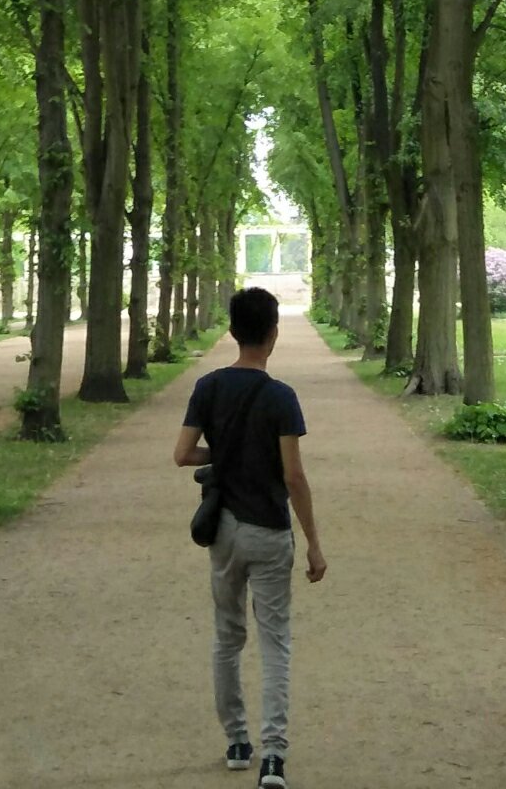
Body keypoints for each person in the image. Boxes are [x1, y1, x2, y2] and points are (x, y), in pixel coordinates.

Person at [174, 286, 326, 788]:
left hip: (223, 530)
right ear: (273, 333)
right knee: (275, 641)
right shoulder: (281, 397)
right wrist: (314, 543)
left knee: (227, 636)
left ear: (233, 331)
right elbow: (293, 476)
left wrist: (224, 456)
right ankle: (274, 757)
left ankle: (237, 741)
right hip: (268, 531)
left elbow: (183, 454)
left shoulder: (208, 387)